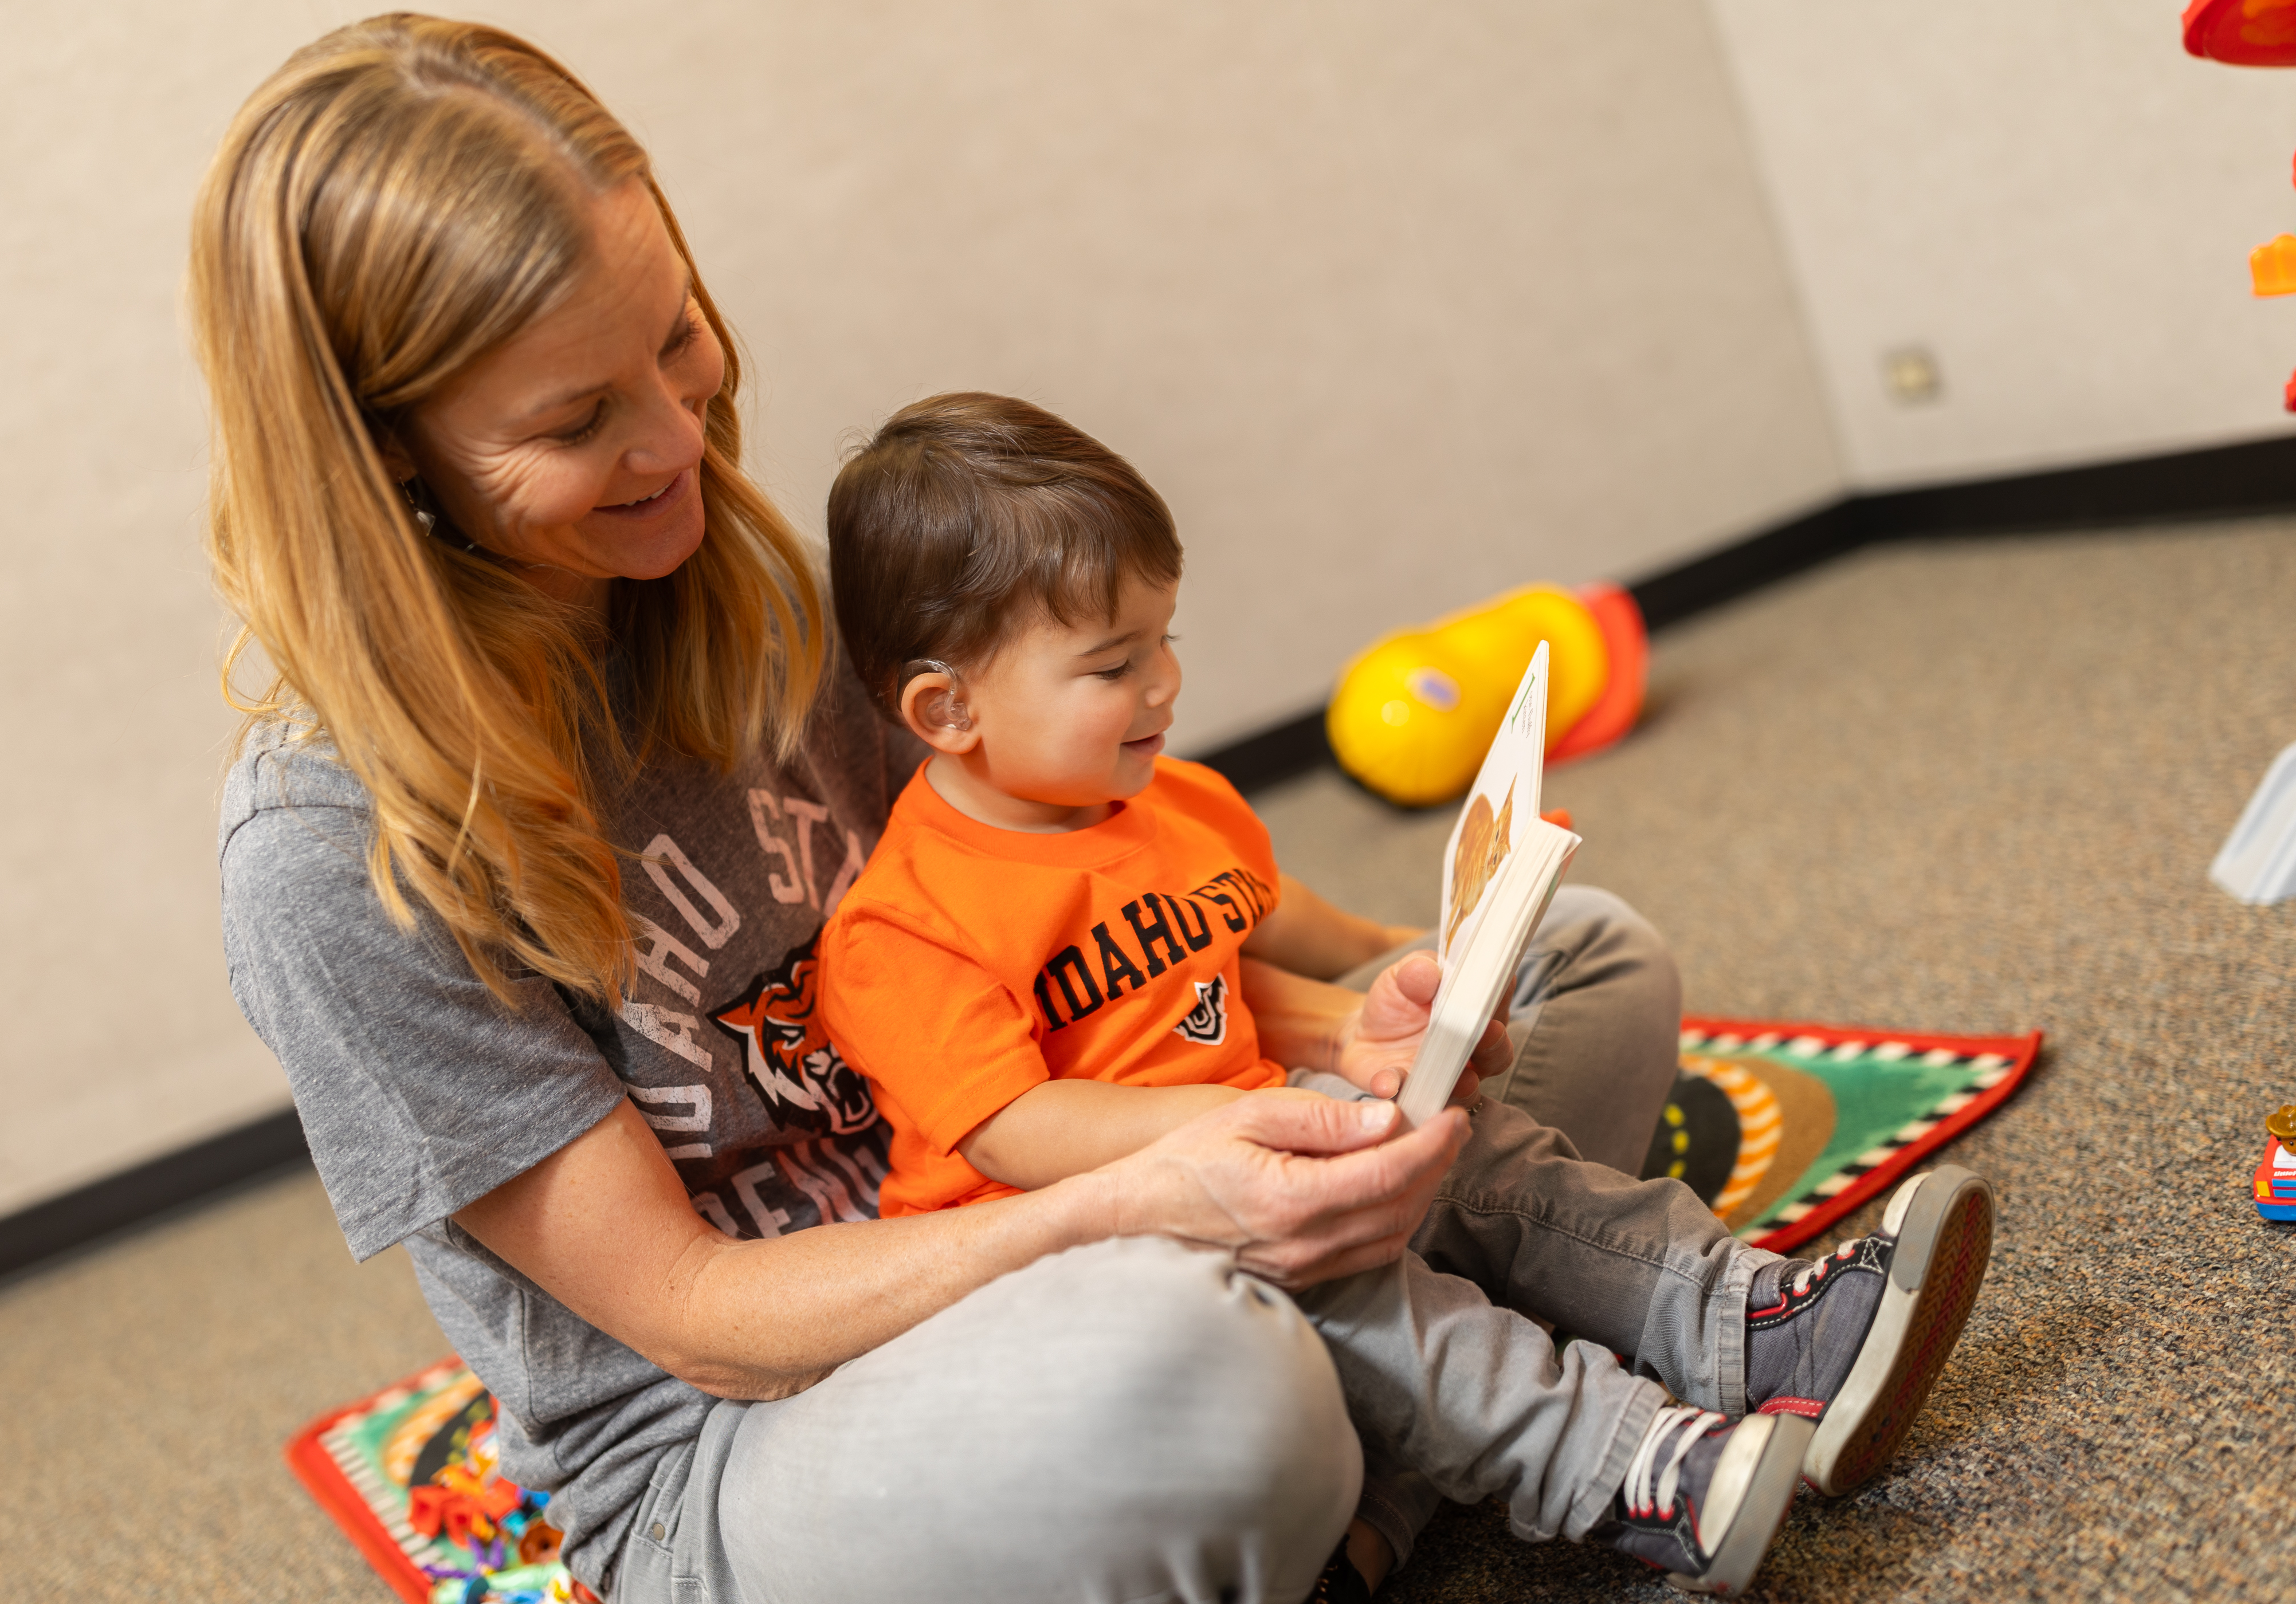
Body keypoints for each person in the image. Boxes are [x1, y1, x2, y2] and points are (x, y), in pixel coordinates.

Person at [194, 17, 1986, 1604]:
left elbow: (1081, 957)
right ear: (386, 456)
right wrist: (1144, 1210)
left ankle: (1358, 1512)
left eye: (681, 340)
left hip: (1060, 1169)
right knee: (1197, 1374)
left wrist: (1350, 1043)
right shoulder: (331, 858)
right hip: (769, 1430)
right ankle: (1374, 1449)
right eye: (583, 417)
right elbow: (693, 1324)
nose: (681, 442)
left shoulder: (769, 609)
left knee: (1572, 971)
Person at [812, 393, 1996, 1597]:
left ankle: (1744, 1322)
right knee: (1337, 1264)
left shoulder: (1167, 805)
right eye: (1115, 664)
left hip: (1254, 1149)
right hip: (1084, 1265)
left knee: (1468, 1138)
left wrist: (1374, 1031)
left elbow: (1205, 986)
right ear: (946, 710)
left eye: (1166, 637)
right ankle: (1626, 1463)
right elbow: (1017, 1131)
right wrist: (1238, 1128)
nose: (1167, 685)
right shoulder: (904, 926)